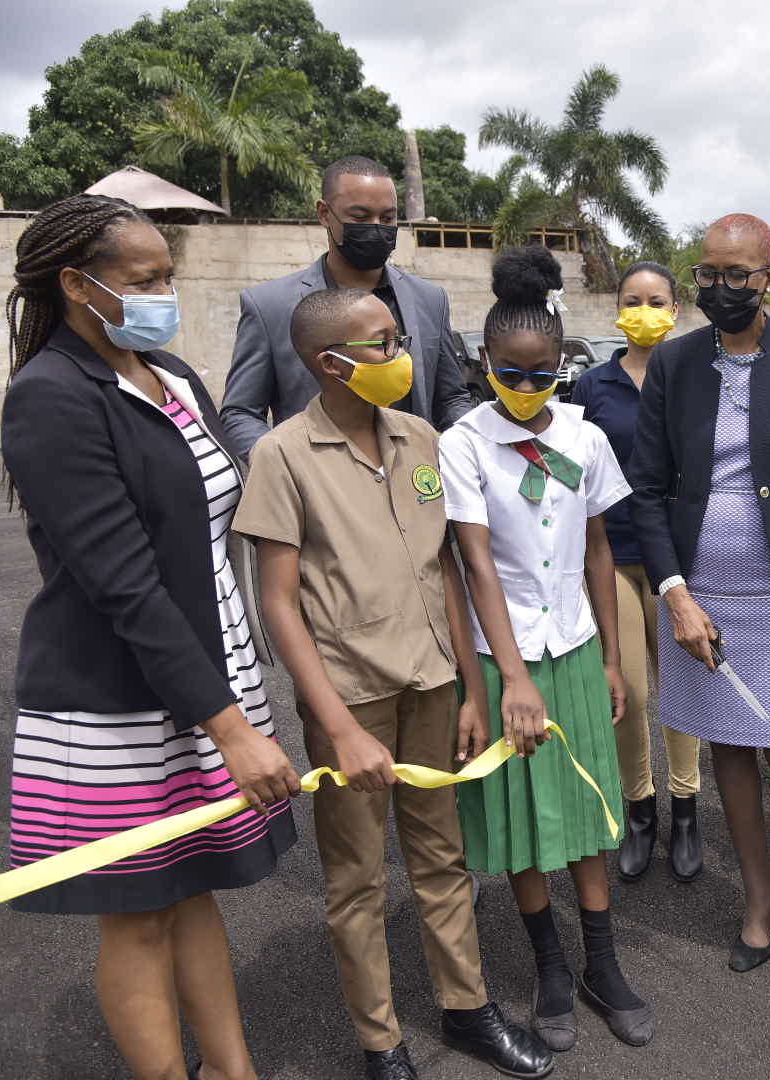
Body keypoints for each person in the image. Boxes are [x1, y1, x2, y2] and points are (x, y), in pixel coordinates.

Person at [0, 194, 301, 1080]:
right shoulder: (50, 396)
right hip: (114, 707)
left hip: (202, 680)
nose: (164, 291)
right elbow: (123, 585)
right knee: (137, 915)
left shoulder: (169, 375)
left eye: (167, 275)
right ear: (75, 285)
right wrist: (233, 728)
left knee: (192, 886)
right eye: (145, 279)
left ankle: (232, 1070)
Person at [233, 287, 551, 1080]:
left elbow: (443, 564)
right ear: (328, 364)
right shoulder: (282, 454)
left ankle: (467, 1007)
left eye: (396, 337)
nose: (398, 355)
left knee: (442, 857)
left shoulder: (417, 437)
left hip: (434, 680)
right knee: (356, 877)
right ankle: (380, 1041)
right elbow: (277, 599)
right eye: (380, 344)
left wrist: (475, 687)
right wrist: (335, 723)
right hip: (354, 696)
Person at [628, 213, 770, 1009]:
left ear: (769, 274)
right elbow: (649, 491)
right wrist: (673, 593)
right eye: (708, 274)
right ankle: (756, 900)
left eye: (737, 274)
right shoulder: (676, 363)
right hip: (697, 598)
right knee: (726, 749)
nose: (720, 289)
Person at [441, 245, 653, 1051]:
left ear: (563, 365)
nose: (527, 389)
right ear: (486, 363)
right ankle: (551, 968)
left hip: (574, 643)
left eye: (542, 374)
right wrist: (511, 680)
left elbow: (600, 549)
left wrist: (604, 656)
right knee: (525, 817)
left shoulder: (585, 436)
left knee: (589, 806)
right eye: (511, 373)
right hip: (508, 660)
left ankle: (602, 963)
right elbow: (476, 566)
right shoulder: (462, 444)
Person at [573, 261, 704, 882]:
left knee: (682, 691)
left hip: (681, 560)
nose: (644, 309)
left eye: (656, 300)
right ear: (616, 310)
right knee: (629, 690)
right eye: (632, 299)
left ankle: (686, 808)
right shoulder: (592, 386)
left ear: (676, 310)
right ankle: (640, 808)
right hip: (613, 558)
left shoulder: (698, 376)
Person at [220, 155, 472, 460]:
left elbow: (452, 399)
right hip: (320, 492)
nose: (377, 228)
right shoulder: (269, 306)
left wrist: (465, 455)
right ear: (325, 214)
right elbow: (241, 413)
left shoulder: (430, 300)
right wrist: (287, 470)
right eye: (361, 217)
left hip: (414, 485)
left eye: (388, 218)